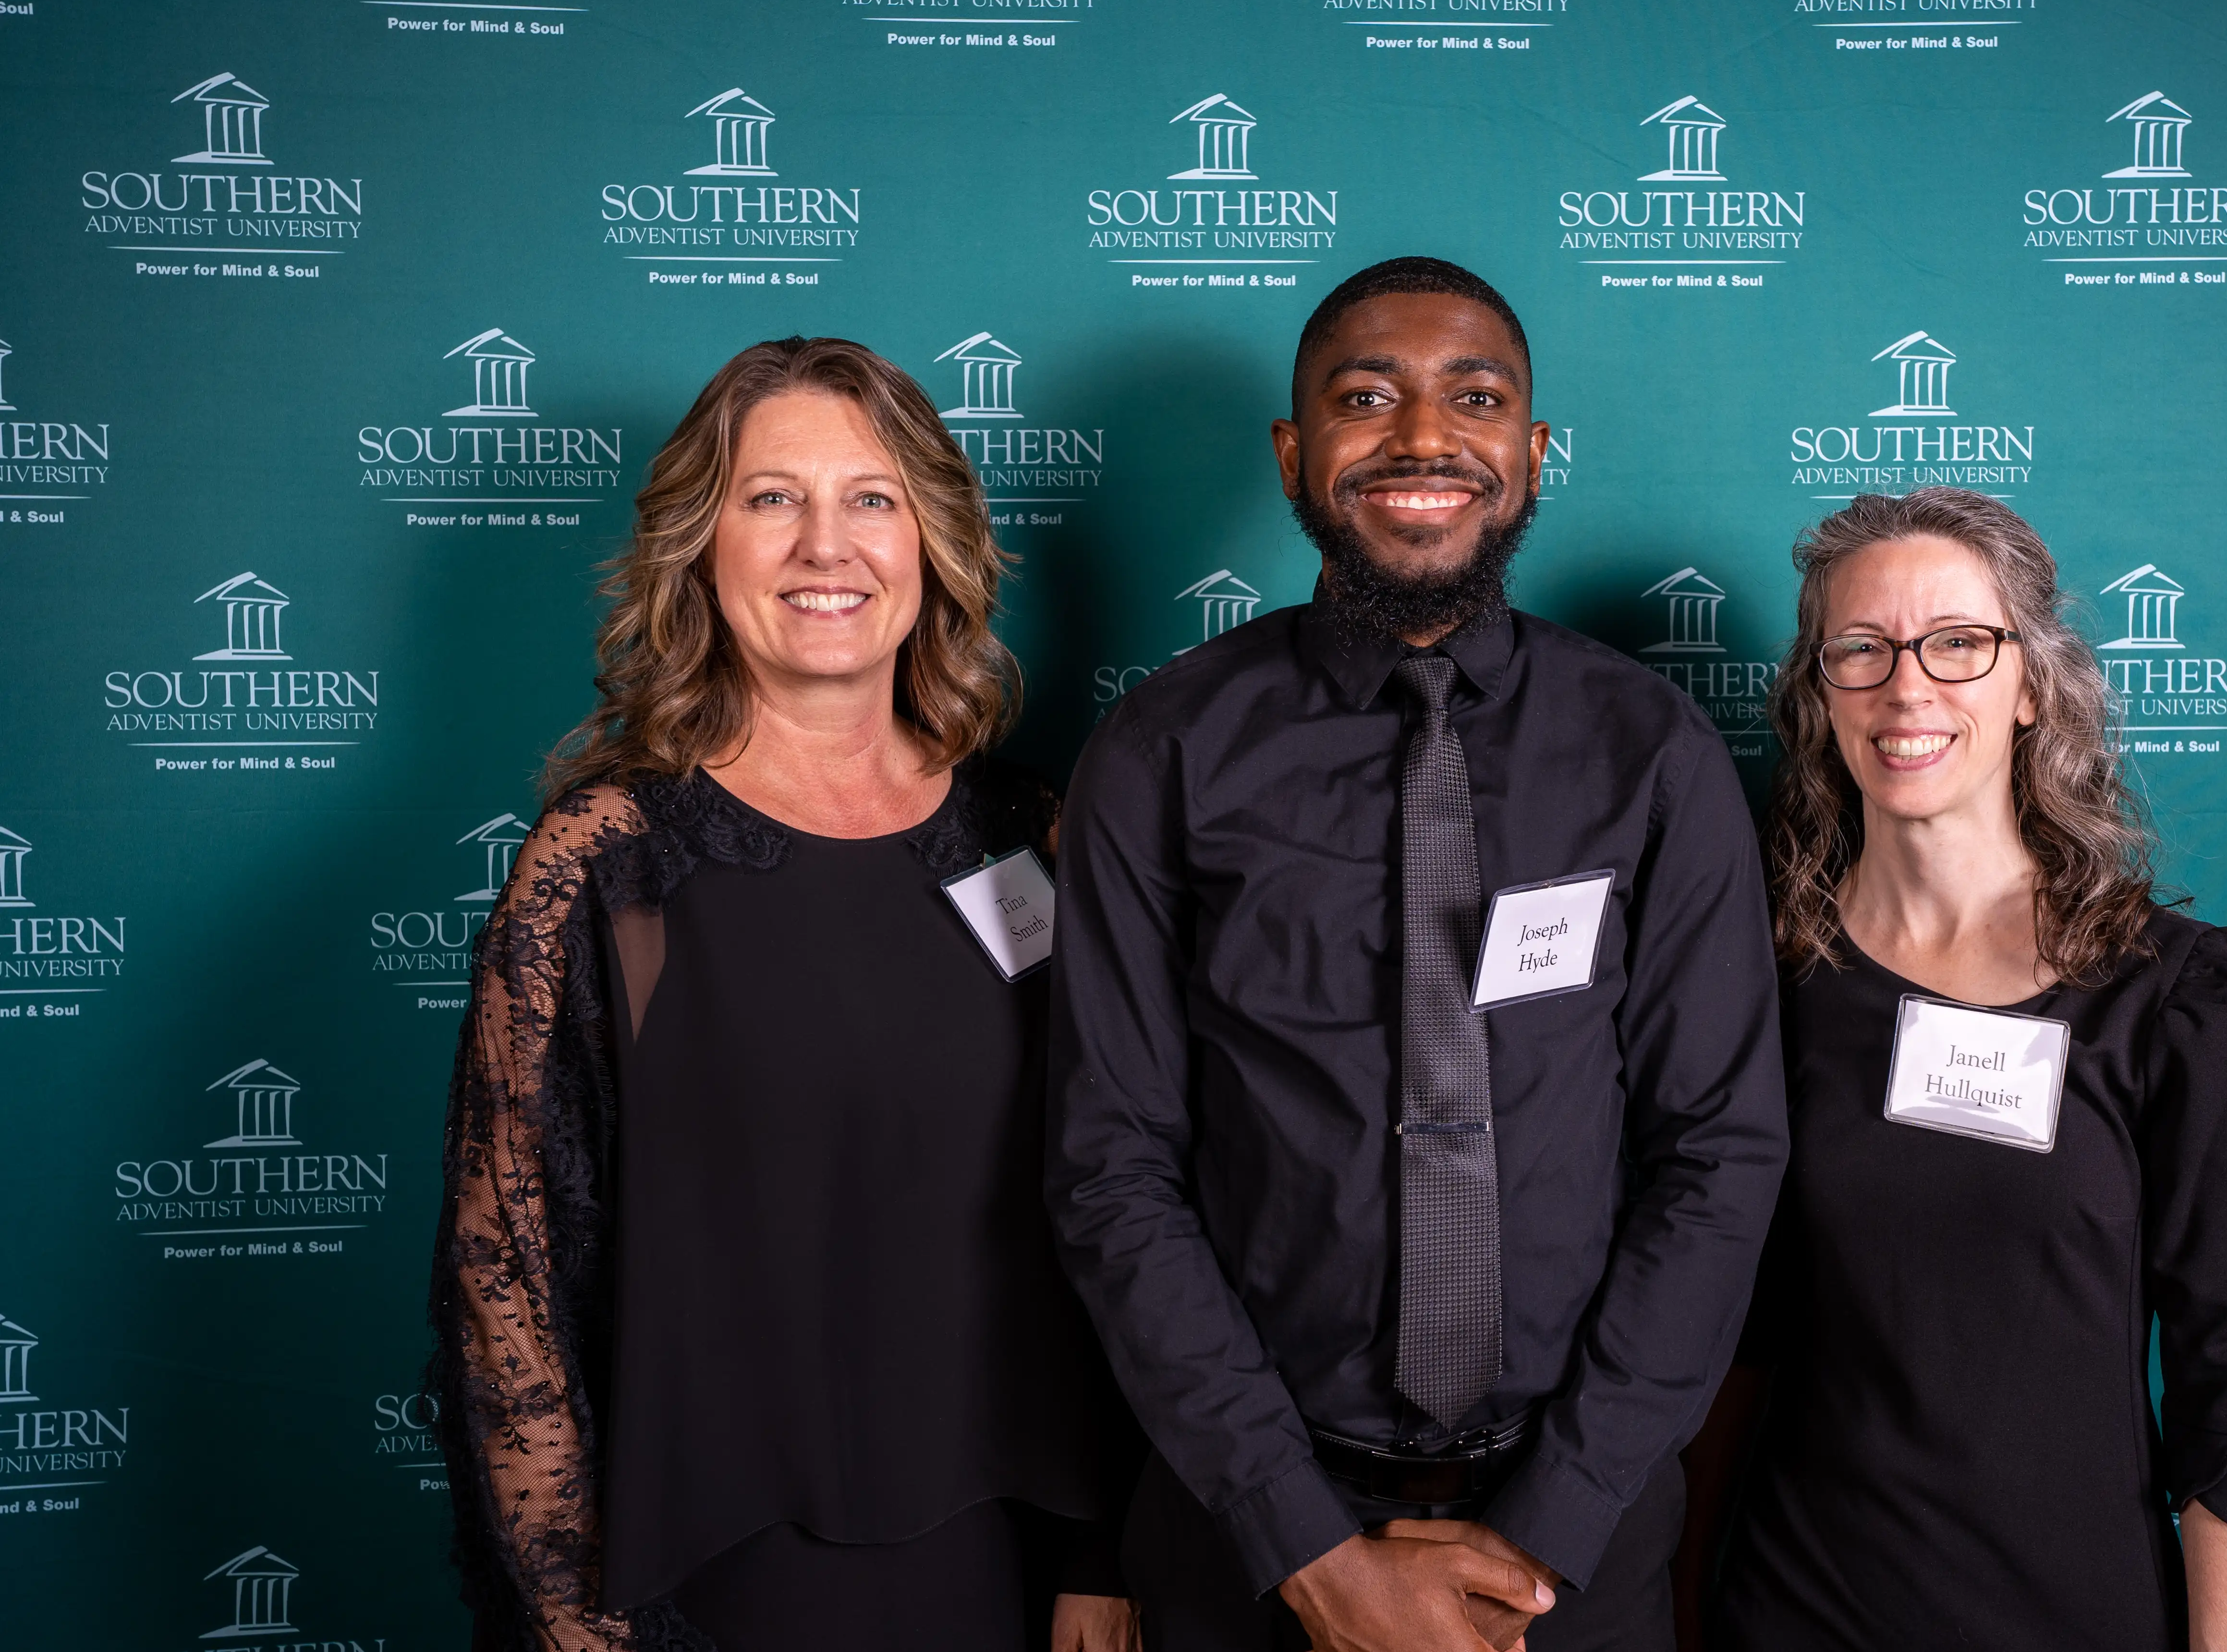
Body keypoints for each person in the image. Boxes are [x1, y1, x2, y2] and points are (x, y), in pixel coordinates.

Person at [1047, 258, 1789, 1652]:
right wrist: (1309, 1552)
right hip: (1248, 1542)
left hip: (1575, 1544)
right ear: (1293, 453)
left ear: (1530, 451)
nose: (1422, 438)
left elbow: (1719, 1156)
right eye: (1365, 397)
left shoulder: (1654, 758)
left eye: (1474, 397)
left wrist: (1549, 1529)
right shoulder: (1163, 754)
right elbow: (1111, 1168)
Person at [429, 337, 1139, 1652]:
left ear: (931, 543)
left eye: (870, 498)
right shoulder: (612, 866)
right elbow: (507, 1273)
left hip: (1019, 1556)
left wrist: (1106, 1554)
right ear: (701, 549)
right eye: (772, 499)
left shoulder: (1029, 837)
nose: (828, 546)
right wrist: (574, 1618)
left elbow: (1116, 1211)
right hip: (713, 1566)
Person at [1681, 487, 2227, 1652]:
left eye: (1960, 644)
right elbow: (1726, 1356)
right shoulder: (1752, 985)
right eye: (1861, 648)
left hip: (2077, 1612)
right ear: (1820, 694)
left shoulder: (2177, 997)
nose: (1909, 687)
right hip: (1798, 1611)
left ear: (2032, 686)